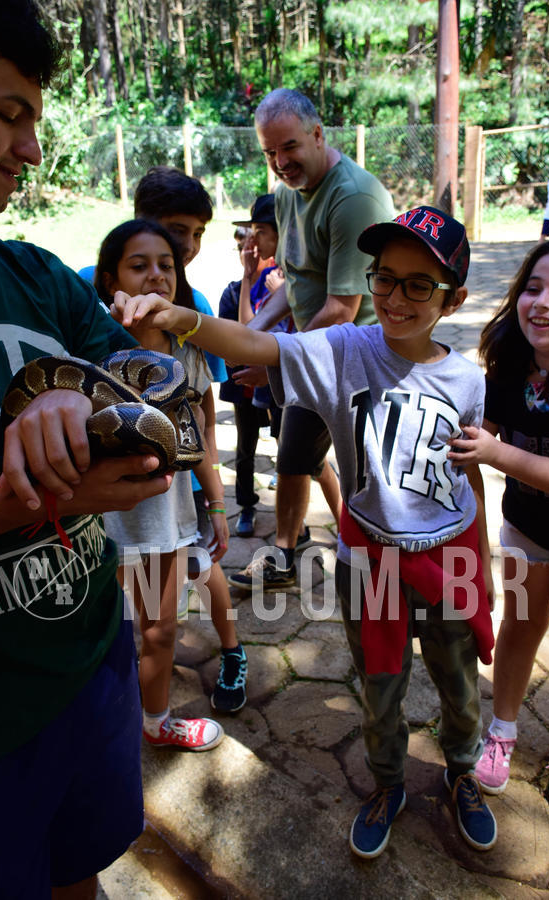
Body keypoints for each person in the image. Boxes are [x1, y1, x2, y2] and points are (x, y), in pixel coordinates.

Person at [111, 205, 498, 857]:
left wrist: (481, 562)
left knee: (458, 681)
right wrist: (189, 323)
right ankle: (385, 783)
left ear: (454, 299)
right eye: (384, 278)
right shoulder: (347, 351)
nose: (395, 297)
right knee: (381, 684)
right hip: (370, 555)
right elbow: (264, 346)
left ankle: (463, 772)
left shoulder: (466, 379)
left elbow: (473, 476)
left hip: (450, 554)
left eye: (418, 285)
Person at [0, 4, 173, 897]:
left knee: (81, 867)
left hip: (90, 662)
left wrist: (66, 386)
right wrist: (19, 506)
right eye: (8, 114)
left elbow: (159, 387)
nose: (31, 149)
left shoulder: (32, 275)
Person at [228, 88, 395, 591]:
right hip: (313, 347)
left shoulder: (354, 199)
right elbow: (296, 283)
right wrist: (249, 333)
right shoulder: (285, 193)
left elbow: (342, 311)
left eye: (290, 148)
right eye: (269, 152)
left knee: (365, 468)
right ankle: (284, 551)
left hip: (361, 360)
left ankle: (381, 558)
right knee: (294, 453)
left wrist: (277, 361)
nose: (280, 163)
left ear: (319, 135)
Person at [95, 220, 248, 720]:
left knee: (160, 630)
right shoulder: (91, 348)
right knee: (108, 632)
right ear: (109, 278)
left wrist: (219, 505)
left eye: (167, 266)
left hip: (170, 515)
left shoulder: (189, 351)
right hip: (104, 519)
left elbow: (201, 438)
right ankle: (110, 723)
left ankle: (154, 723)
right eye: (138, 266)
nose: (156, 276)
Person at [449, 237, 549, 807]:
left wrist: (497, 456)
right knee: (520, 627)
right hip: (525, 526)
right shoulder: (508, 361)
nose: (543, 303)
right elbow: (484, 435)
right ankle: (501, 732)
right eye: (534, 287)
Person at [133, 166, 228, 614]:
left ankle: (231, 650)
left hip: (184, 474)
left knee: (198, 563)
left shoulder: (196, 308)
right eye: (177, 231)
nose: (188, 246)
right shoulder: (88, 291)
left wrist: (217, 497)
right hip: (119, 482)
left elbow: (204, 411)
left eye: (198, 233)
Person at [219, 196, 291, 538]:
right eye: (245, 239)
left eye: (258, 234)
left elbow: (259, 331)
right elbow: (243, 334)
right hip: (246, 384)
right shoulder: (234, 292)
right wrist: (247, 279)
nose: (250, 244)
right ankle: (246, 506)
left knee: (287, 444)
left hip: (279, 382)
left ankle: (291, 518)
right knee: (245, 445)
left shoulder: (287, 287)